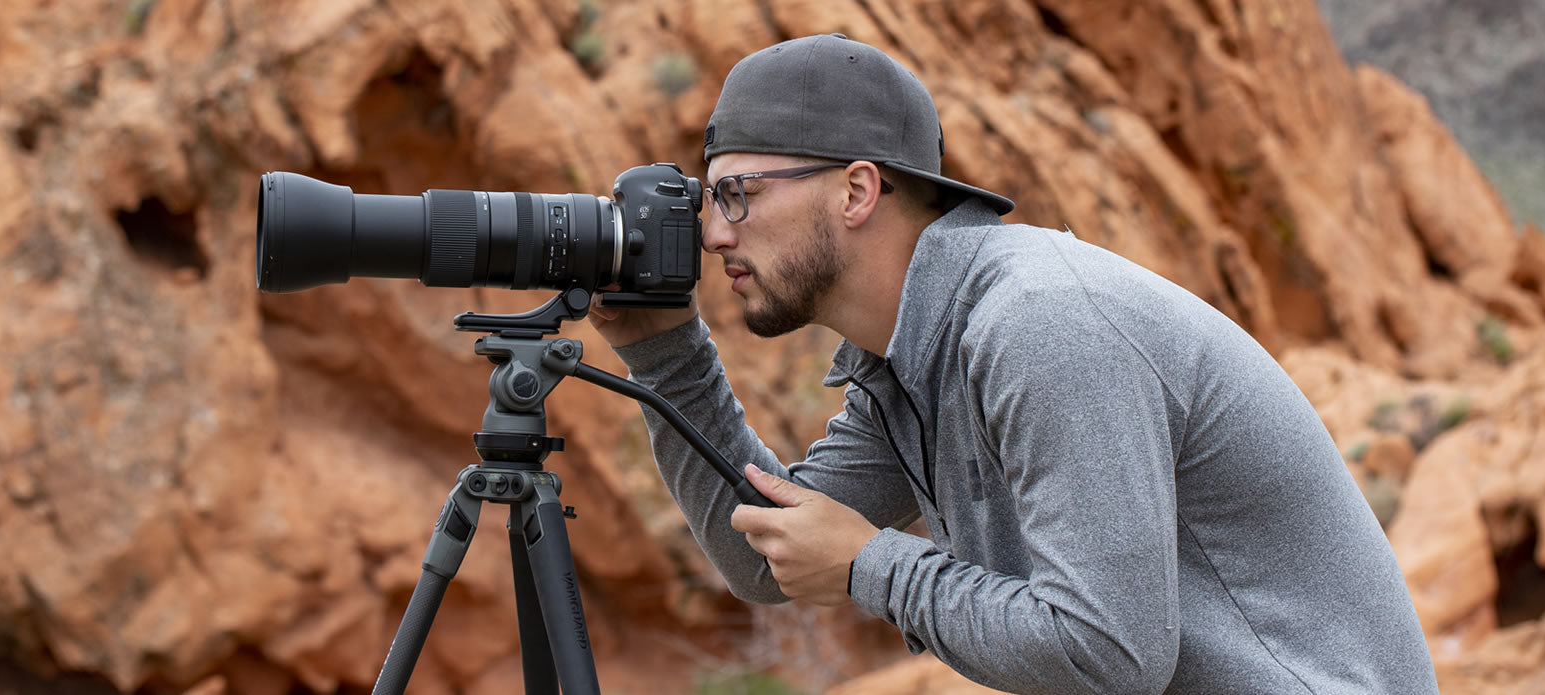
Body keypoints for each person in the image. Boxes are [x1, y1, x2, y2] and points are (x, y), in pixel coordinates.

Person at [588, 33, 1439, 694]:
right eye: (710, 198)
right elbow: (765, 558)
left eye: (739, 192)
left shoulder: (1040, 321)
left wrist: (868, 564)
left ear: (855, 191)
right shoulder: (910, 363)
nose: (715, 230)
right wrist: (663, 352)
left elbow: (1110, 652)